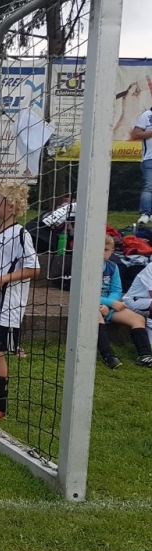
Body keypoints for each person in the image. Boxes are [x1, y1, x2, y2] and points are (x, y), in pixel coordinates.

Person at [0, 180, 41, 419]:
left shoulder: (20, 234)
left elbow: (34, 268)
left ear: (12, 206)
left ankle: (0, 406)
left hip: (7, 308)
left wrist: (2, 279)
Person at [97, 235, 152, 368]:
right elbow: (85, 293)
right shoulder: (85, 267)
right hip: (91, 305)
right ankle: (108, 355)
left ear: (112, 251)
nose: (101, 253)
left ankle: (145, 354)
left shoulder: (113, 267)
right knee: (96, 316)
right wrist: (109, 304)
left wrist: (109, 304)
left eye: (106, 250)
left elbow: (117, 290)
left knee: (138, 319)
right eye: (98, 249)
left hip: (110, 305)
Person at [130, 106, 152, 225]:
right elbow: (136, 134)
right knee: (148, 187)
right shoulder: (146, 115)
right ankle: (145, 214)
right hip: (150, 158)